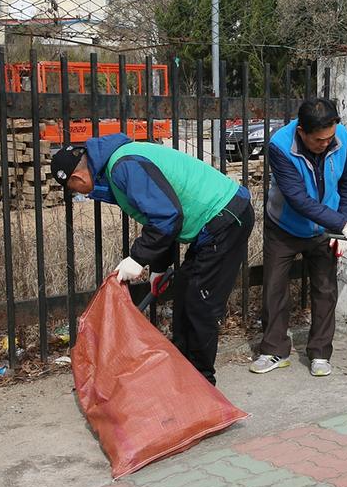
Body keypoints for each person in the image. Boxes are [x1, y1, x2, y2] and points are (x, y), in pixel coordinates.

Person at [50, 133, 254, 386]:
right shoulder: (118, 164)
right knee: (185, 292)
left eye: (73, 189)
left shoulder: (124, 167)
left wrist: (137, 258)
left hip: (226, 218)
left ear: (77, 178)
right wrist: (159, 267)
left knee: (200, 304)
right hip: (213, 221)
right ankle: (184, 370)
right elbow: (157, 218)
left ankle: (201, 382)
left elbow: (167, 216)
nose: (79, 194)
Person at [249, 99, 347, 377]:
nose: (326, 143)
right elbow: (298, 199)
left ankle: (320, 353)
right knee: (274, 288)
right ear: (301, 131)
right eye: (319, 140)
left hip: (326, 229)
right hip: (284, 226)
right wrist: (343, 224)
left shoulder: (341, 137)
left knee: (326, 288)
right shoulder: (279, 145)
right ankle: (274, 350)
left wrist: (342, 228)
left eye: (330, 137)